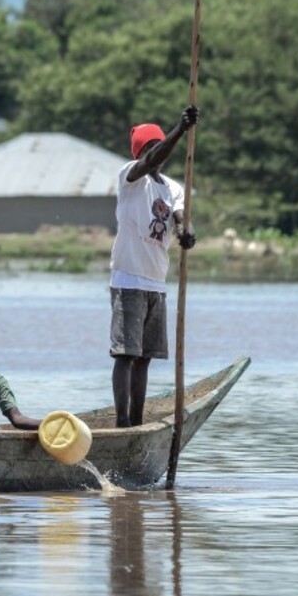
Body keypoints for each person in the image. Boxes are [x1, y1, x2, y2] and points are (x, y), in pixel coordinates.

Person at [109, 104, 199, 428]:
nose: (157, 152)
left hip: (155, 284)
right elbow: (149, 162)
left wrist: (186, 234)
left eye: (158, 146)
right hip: (128, 279)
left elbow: (179, 222)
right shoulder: (130, 176)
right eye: (151, 147)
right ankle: (122, 424)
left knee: (144, 359)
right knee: (126, 354)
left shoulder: (173, 188)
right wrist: (179, 130)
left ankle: (136, 420)